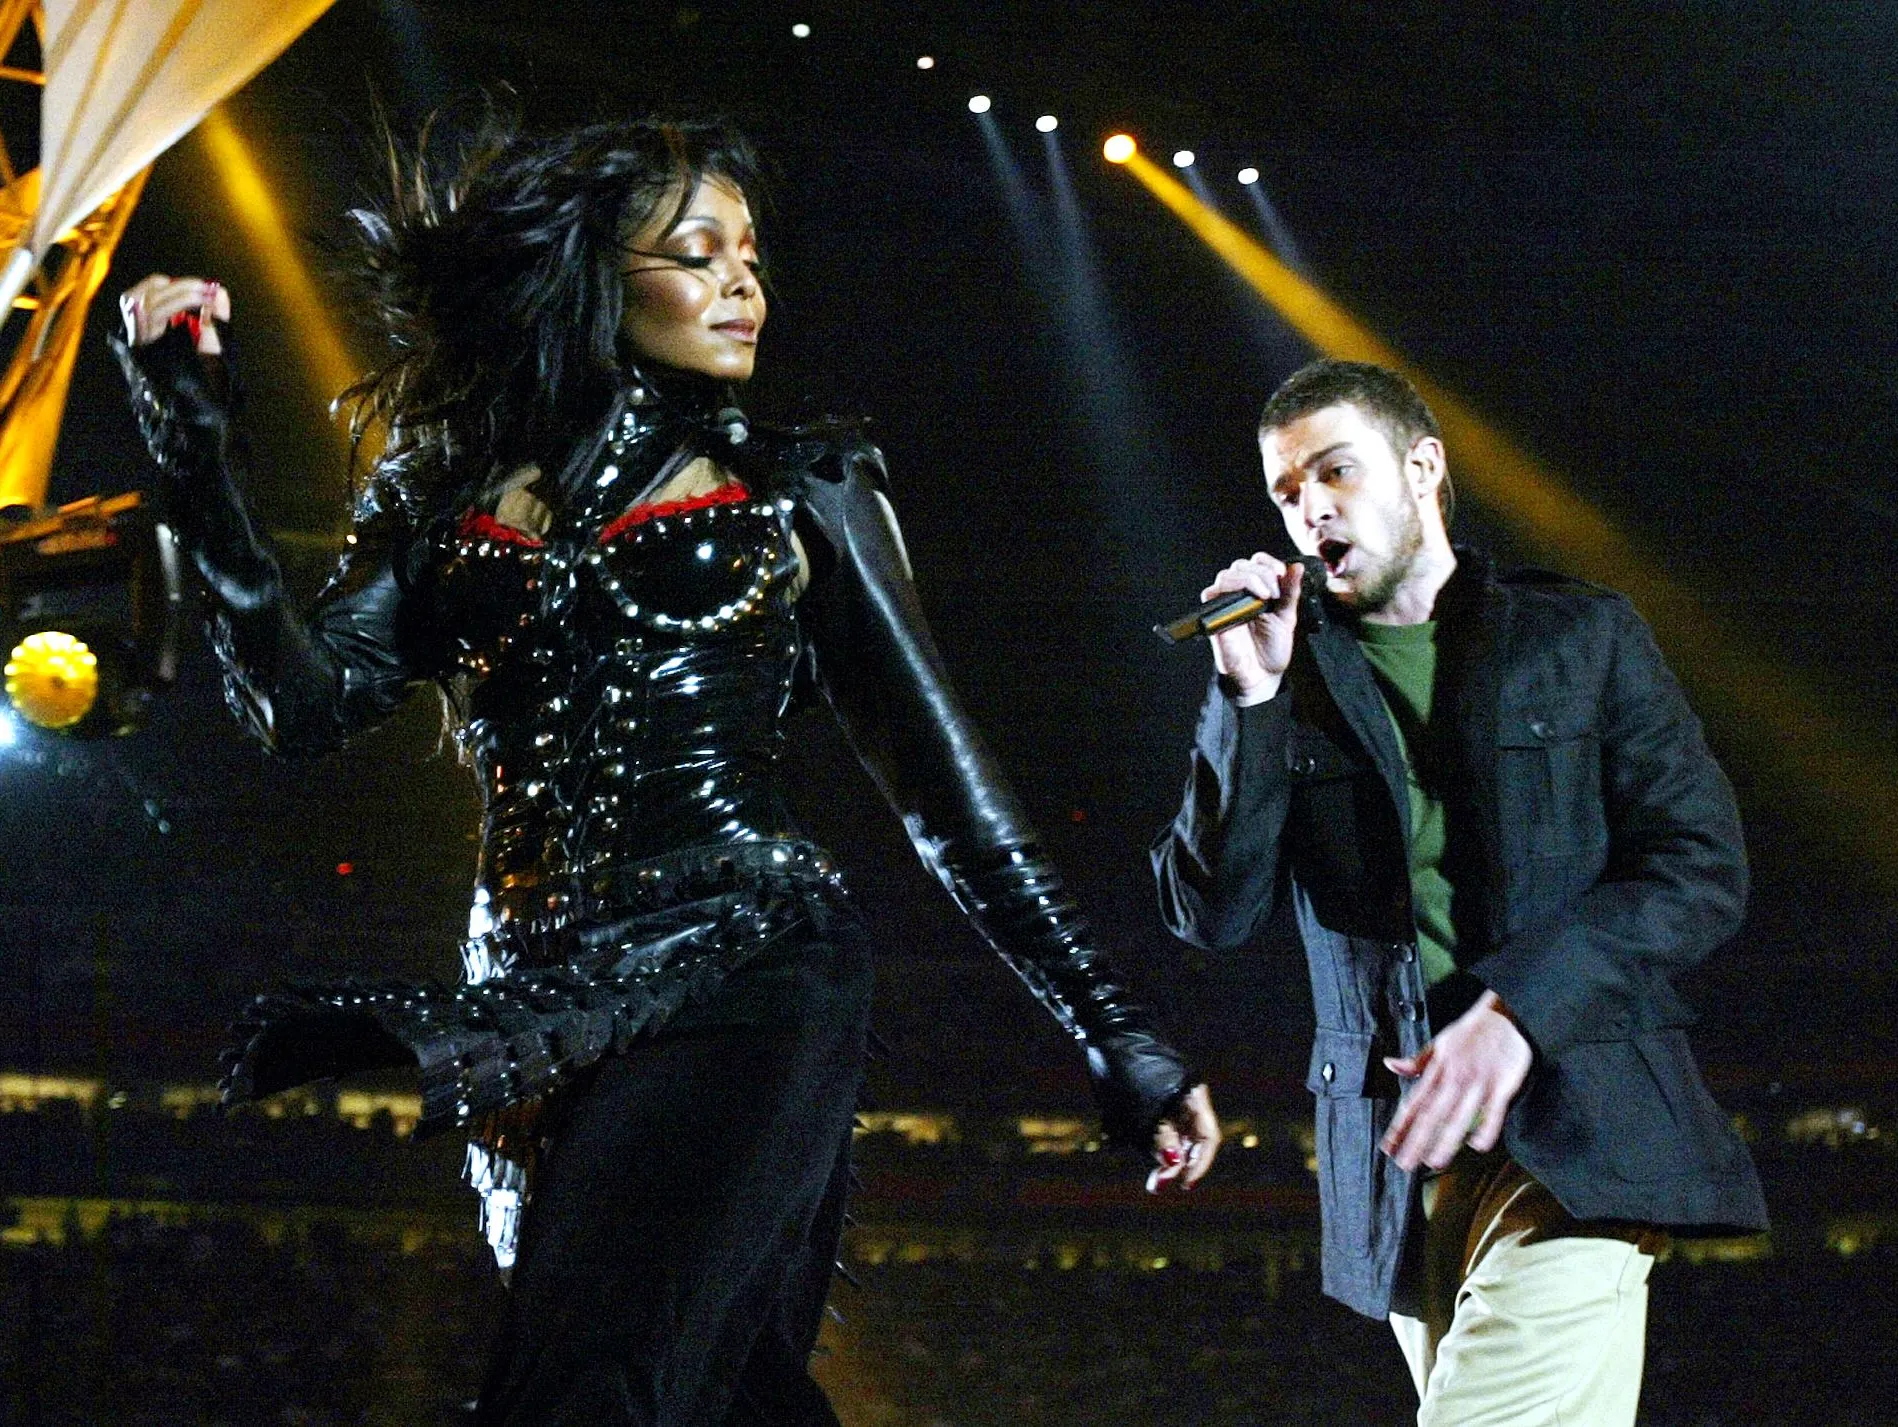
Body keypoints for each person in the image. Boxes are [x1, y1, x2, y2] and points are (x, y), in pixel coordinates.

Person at [115, 114, 1219, 1426]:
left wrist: (1112, 1031)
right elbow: (297, 708)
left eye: (749, 256)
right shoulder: (443, 492)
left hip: (744, 965)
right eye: (699, 254)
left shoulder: (799, 490)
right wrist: (197, 448)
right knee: (723, 1390)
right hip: (528, 996)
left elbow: (950, 793)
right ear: (590, 275)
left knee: (583, 1381)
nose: (744, 284)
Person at [1152, 359, 1765, 1425]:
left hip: (1578, 1133)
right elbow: (1210, 912)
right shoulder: (1284, 677)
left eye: (1335, 470)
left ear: (1423, 466)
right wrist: (1244, 701)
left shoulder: (1580, 636)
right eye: (1286, 492)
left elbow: (1699, 866)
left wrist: (1521, 1007)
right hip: (1403, 1158)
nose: (1309, 509)